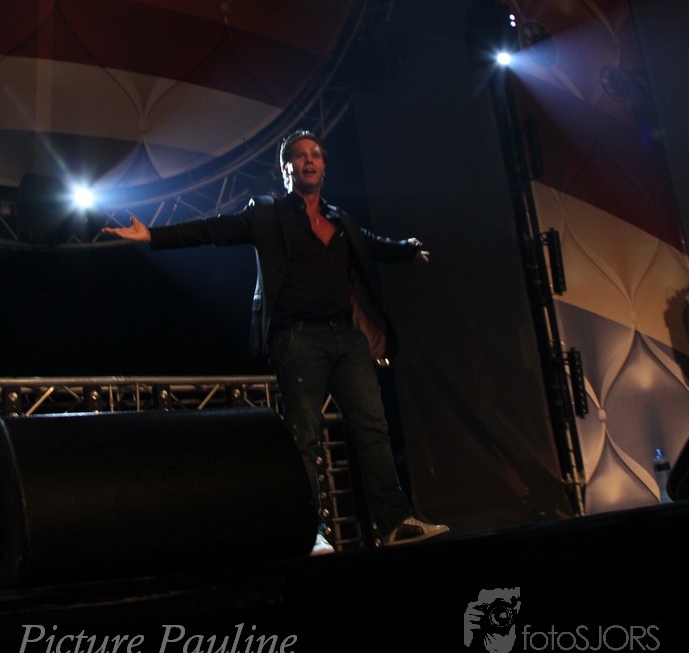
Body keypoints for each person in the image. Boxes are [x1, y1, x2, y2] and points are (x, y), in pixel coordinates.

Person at [102, 129, 449, 554]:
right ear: (286, 169)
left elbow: (372, 246)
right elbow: (213, 229)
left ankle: (394, 523)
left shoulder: (341, 219)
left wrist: (407, 249)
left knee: (373, 430)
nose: (309, 160)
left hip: (347, 337)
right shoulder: (267, 214)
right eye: (299, 155)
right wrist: (153, 236)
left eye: (315, 154)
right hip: (298, 338)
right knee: (304, 437)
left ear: (324, 166)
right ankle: (309, 531)